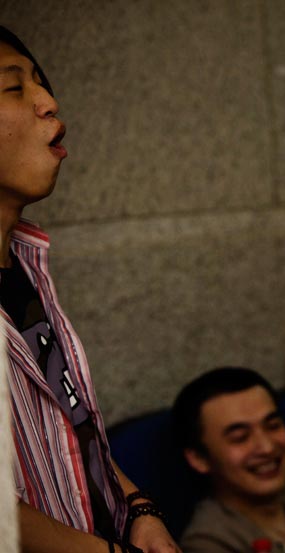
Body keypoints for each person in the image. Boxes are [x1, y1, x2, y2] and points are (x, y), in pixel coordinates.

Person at [0, 26, 179, 553]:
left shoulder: (25, 262)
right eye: (14, 88)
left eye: (40, 81)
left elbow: (70, 429)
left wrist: (138, 508)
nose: (49, 101)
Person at [174, 367, 285, 553]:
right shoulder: (207, 543)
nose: (267, 447)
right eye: (240, 437)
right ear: (199, 459)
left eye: (273, 426)